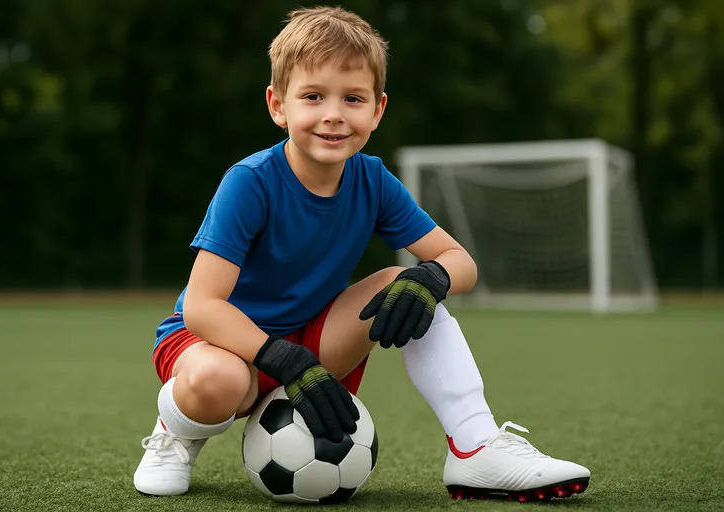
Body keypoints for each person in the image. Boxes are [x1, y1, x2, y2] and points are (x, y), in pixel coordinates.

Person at [133, 6, 590, 502]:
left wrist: (430, 278)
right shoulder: (250, 182)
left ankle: (476, 447)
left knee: (408, 283)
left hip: (313, 340)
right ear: (277, 104)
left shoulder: (371, 180)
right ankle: (175, 433)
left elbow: (460, 262)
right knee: (220, 382)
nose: (333, 114)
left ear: (377, 110)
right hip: (218, 344)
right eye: (313, 96)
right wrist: (283, 359)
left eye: (352, 98)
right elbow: (203, 307)